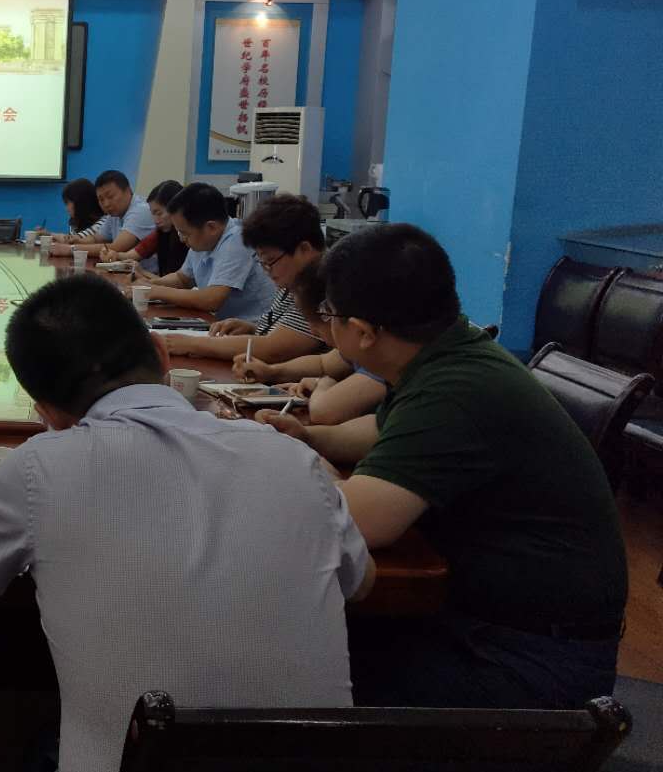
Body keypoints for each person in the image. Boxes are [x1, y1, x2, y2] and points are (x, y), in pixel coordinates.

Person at [0, 273, 372, 772]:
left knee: (31, 745)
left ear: (46, 412)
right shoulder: (292, 456)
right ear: (162, 355)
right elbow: (361, 583)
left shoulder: (39, 467)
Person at [258, 223, 627, 709]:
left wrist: (300, 466)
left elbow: (356, 521)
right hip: (489, 622)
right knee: (301, 636)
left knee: (285, 669)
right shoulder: (449, 354)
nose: (326, 328)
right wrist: (308, 438)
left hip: (526, 658)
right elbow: (381, 433)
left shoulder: (457, 390)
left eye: (328, 316)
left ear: (363, 333)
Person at [158, 192, 327, 365]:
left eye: (270, 261)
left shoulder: (321, 286)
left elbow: (274, 349)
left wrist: (192, 344)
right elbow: (287, 335)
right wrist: (254, 329)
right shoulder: (293, 282)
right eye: (262, 263)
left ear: (304, 250)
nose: (267, 271)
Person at [232, 261, 387, 426]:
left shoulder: (381, 361)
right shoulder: (356, 347)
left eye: (327, 315)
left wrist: (324, 384)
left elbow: (325, 411)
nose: (313, 332)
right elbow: (323, 363)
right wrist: (272, 371)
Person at [139, 182, 275, 322]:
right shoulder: (203, 241)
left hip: (255, 327)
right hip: (222, 323)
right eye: (179, 232)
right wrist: (148, 285)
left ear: (211, 228)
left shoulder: (237, 240)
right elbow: (182, 279)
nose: (181, 239)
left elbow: (211, 300)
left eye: (185, 233)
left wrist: (157, 291)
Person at [56, 170, 155, 257]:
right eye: (101, 199)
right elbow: (96, 239)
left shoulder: (141, 210)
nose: (106, 204)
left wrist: (71, 249)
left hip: (144, 272)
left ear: (128, 190)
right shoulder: (114, 214)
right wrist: (78, 241)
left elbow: (117, 247)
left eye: (110, 196)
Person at [100, 179, 186, 277]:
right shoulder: (160, 233)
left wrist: (142, 272)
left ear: (176, 210)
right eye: (152, 214)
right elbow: (133, 254)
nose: (155, 220)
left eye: (159, 213)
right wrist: (115, 255)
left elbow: (180, 283)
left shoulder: (189, 241)